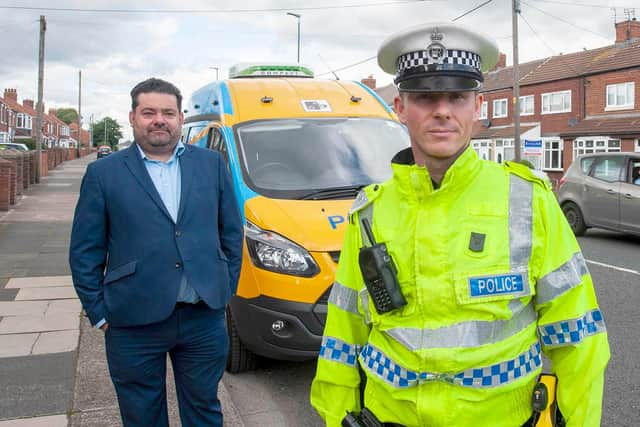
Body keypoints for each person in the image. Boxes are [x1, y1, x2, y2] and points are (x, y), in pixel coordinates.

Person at [310, 23, 610, 427]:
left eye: (457, 96)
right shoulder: (369, 213)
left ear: (478, 106)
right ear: (400, 107)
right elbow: (343, 335)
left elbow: (579, 337)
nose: (442, 110)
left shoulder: (528, 199)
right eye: (425, 97)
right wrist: (335, 416)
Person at [69, 78, 243, 427]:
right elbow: (85, 252)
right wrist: (99, 313)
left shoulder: (211, 165)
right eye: (149, 112)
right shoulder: (103, 174)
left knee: (205, 412)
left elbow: (231, 234)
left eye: (167, 112)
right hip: (132, 321)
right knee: (142, 417)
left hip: (202, 317)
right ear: (133, 117)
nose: (159, 120)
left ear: (180, 117)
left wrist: (223, 288)